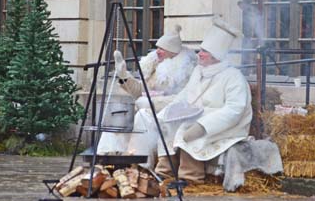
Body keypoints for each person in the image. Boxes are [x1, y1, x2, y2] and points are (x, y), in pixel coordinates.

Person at [154, 18, 252, 184]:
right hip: (196, 116)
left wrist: (203, 126)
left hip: (225, 126)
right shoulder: (199, 71)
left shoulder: (233, 77)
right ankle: (165, 172)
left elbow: (235, 110)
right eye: (200, 50)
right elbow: (184, 96)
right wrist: (166, 114)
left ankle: (190, 176)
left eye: (204, 51)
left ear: (216, 55)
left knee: (188, 128)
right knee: (169, 125)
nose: (199, 54)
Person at [96, 25, 197, 167]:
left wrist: (150, 103)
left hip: (168, 116)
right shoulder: (153, 66)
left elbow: (182, 99)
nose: (158, 51)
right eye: (158, 48)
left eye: (162, 49)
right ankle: (106, 161)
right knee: (116, 123)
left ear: (172, 51)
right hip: (144, 109)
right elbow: (139, 91)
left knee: (141, 117)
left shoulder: (186, 70)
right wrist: (124, 75)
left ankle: (139, 166)